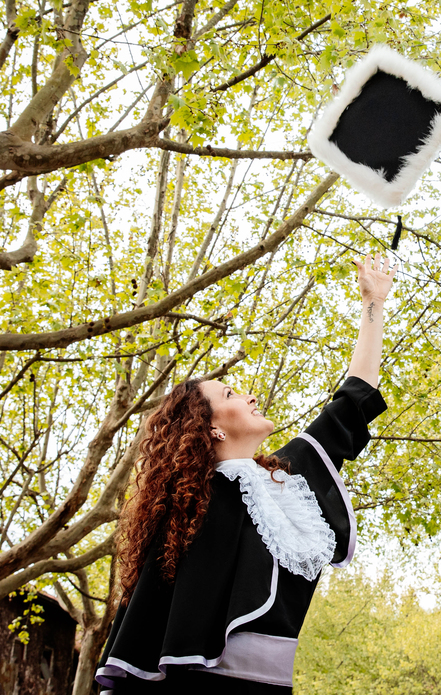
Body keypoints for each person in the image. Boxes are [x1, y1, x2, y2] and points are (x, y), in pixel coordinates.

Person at [95, 254, 395, 693]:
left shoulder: (288, 483)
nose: (250, 394)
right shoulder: (185, 512)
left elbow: (352, 400)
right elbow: (145, 632)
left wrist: (374, 302)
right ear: (210, 427)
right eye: (230, 392)